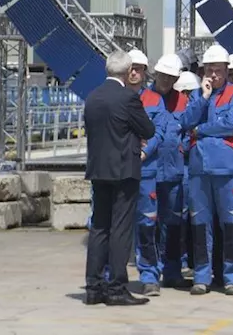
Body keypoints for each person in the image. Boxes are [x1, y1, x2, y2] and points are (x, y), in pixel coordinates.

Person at [84, 50, 156, 306]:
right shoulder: (129, 98)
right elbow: (148, 129)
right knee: (121, 229)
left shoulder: (92, 97)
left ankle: (93, 287)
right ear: (127, 73)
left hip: (98, 170)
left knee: (99, 227)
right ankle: (116, 287)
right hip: (124, 170)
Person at [175, 44, 233, 295]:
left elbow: (231, 123)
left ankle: (232, 277)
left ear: (227, 71)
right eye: (210, 70)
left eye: (218, 70)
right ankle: (202, 276)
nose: (214, 75)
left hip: (228, 169)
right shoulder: (197, 95)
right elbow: (185, 121)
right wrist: (203, 98)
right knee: (200, 225)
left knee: (232, 225)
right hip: (200, 169)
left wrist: (201, 129)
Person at [136, 52, 182, 296]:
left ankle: (172, 271)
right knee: (147, 225)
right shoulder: (144, 99)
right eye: (163, 75)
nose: (167, 80)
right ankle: (149, 274)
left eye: (171, 77)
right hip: (149, 172)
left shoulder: (183, 100)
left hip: (174, 172)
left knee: (172, 224)